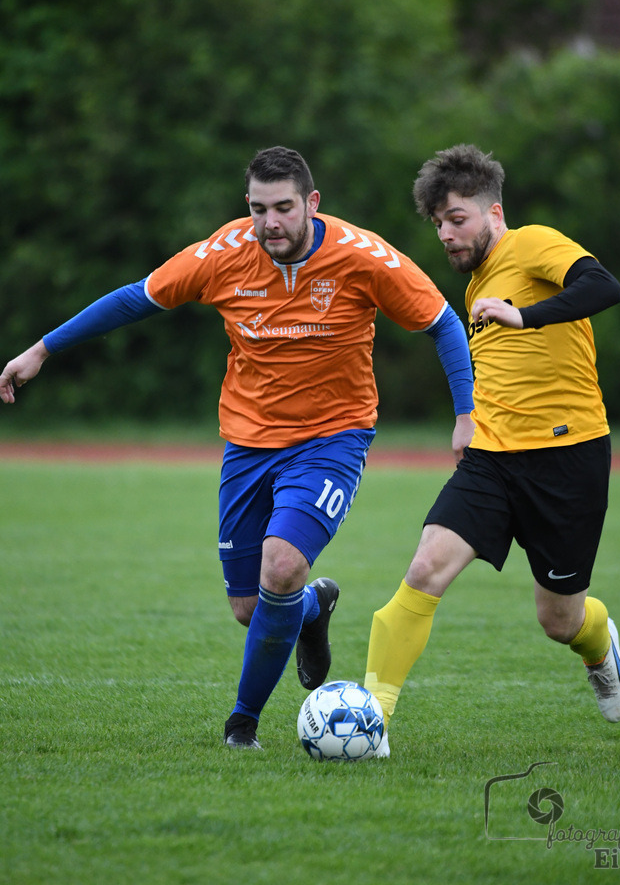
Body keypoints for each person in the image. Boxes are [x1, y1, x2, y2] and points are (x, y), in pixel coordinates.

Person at [0, 145, 474, 751]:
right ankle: (312, 608)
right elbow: (134, 298)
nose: (269, 222)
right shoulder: (224, 254)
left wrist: (465, 414)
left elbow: (442, 322)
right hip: (247, 443)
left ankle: (241, 726)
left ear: (312, 204)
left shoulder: (363, 257)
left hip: (334, 436)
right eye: (257, 208)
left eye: (282, 208)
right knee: (252, 608)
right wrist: (42, 350)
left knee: (280, 563)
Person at [364, 143, 620, 758]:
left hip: (570, 459)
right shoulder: (475, 287)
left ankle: (598, 641)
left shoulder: (533, 244)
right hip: (492, 458)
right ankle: (371, 720)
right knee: (425, 569)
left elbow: (603, 287)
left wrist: (525, 315)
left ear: (494, 212)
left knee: (557, 619)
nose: (447, 235)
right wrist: (470, 418)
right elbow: (505, 371)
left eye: (457, 219)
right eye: (438, 225)